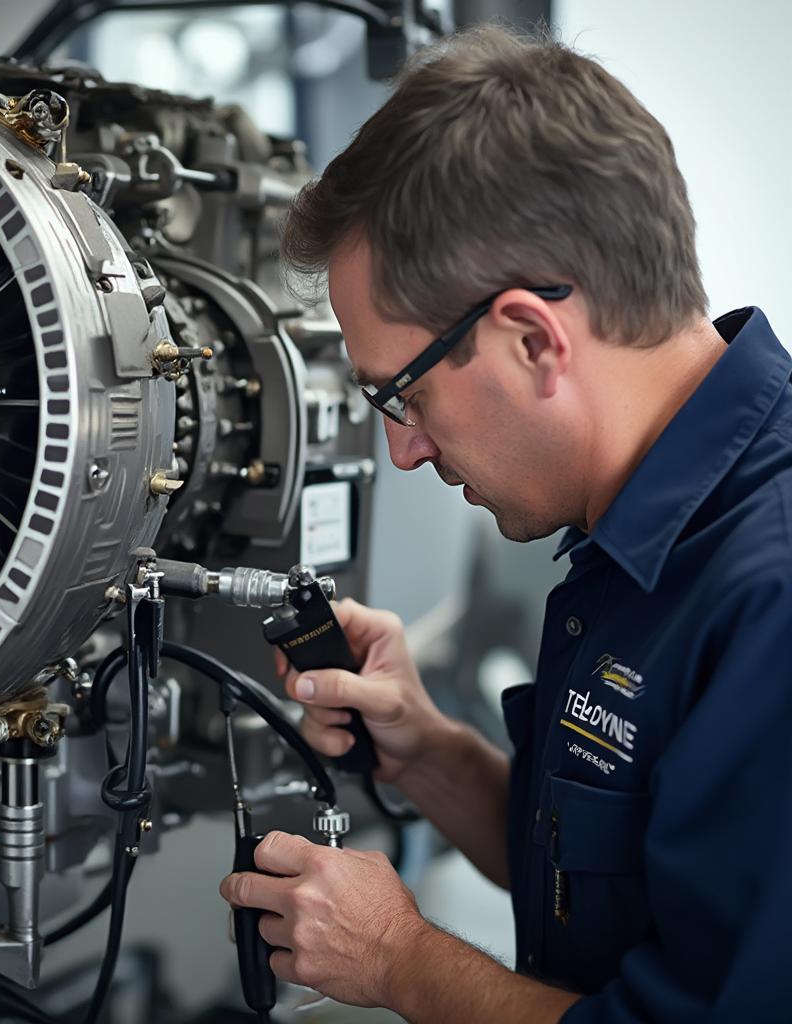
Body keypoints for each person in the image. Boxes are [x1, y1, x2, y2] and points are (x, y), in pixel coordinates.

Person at [217, 23, 792, 1023]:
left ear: (531, 338)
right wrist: (427, 751)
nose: (402, 449)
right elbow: (607, 881)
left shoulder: (768, 598)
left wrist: (398, 959)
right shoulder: (633, 529)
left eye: (399, 395)